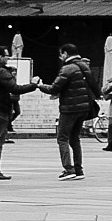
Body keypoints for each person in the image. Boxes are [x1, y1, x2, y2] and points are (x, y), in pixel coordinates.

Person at [41, 43, 97, 180]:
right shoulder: (84, 66)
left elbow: (54, 88)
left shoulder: (67, 68)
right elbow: (94, 87)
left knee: (62, 138)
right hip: (84, 108)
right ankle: (79, 169)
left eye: (61, 54)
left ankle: (68, 168)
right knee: (75, 138)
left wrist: (39, 85)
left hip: (70, 108)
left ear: (65, 54)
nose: (60, 57)